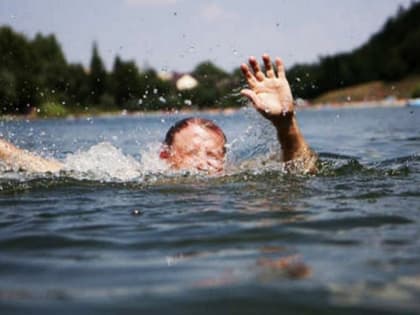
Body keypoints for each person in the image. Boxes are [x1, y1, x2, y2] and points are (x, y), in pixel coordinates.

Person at [0, 54, 317, 175]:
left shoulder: (239, 177)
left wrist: (285, 123)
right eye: (194, 152)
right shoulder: (140, 176)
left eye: (216, 155)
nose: (208, 163)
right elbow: (61, 171)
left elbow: (302, 172)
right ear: (166, 157)